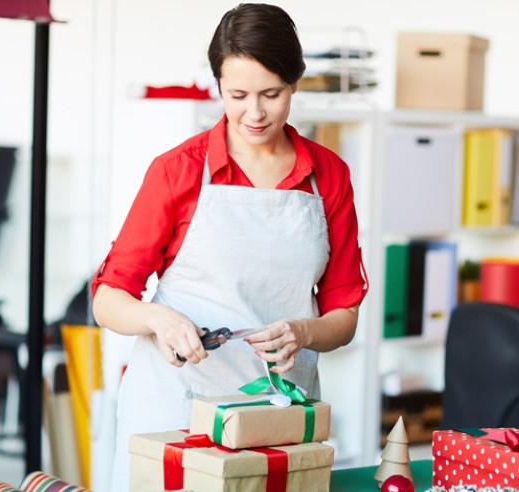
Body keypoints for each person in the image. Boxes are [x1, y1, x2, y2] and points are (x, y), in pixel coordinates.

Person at [91, 4, 368, 490]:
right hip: (176, 413)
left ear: (295, 83)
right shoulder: (178, 170)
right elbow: (108, 299)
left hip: (276, 419)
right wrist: (159, 319)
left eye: (271, 94)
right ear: (218, 84)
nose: (254, 113)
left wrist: (304, 331)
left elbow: (343, 316)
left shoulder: (328, 176)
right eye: (237, 95)